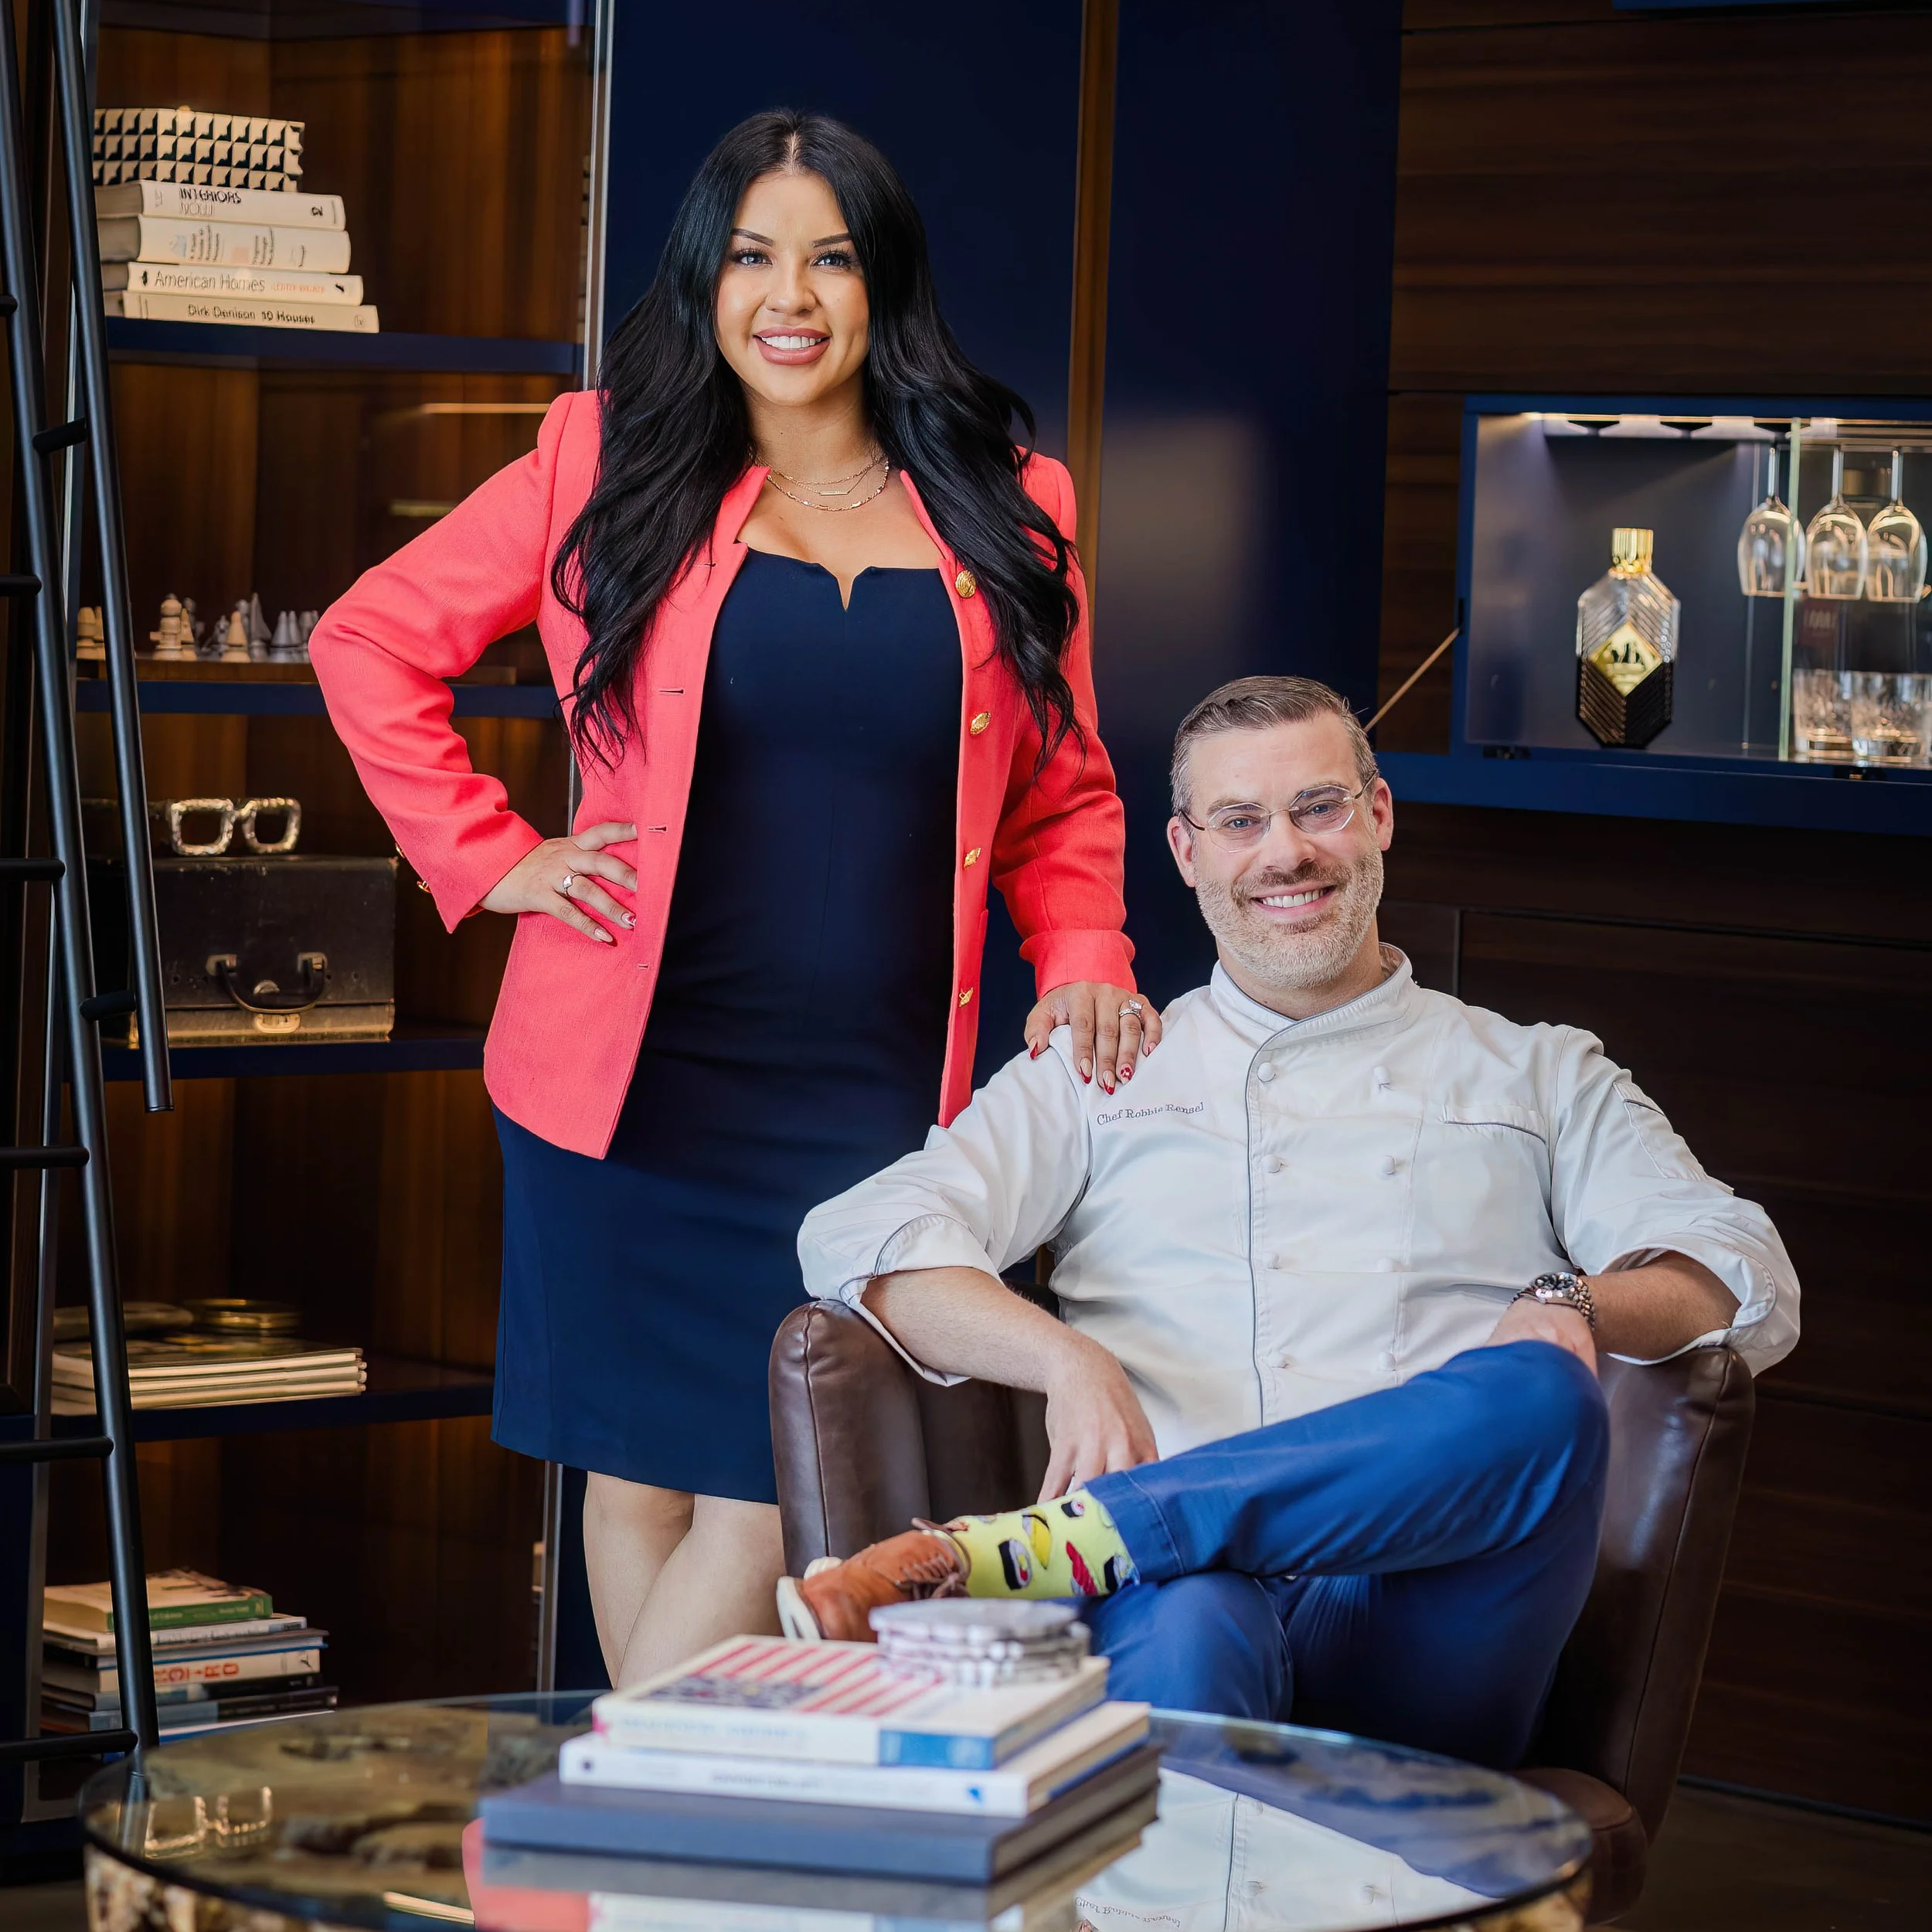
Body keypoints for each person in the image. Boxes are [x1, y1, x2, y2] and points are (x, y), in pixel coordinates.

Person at [308, 110, 1155, 1686]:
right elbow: (367, 641)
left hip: (880, 1091)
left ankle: (606, 1823)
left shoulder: (1007, 495)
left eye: (829, 257)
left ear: (879, 282)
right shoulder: (600, 458)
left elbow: (1066, 785)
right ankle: (651, 1873)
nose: (791, 294)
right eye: (753, 256)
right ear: (704, 281)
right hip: (628, 1089)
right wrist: (493, 858)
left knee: (776, 1504)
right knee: (634, 1481)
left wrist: (1084, 950)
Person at [784, 675, 1799, 1767]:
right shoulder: (1106, 1072)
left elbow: (1745, 1273)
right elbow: (859, 1233)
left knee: (1549, 1388)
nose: (1285, 854)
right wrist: (1065, 1358)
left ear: (1379, 817)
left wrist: (1571, 1304)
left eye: (1318, 807)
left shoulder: (1539, 1069)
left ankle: (1072, 1544)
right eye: (1239, 821)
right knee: (1196, 1618)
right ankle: (1119, 1558)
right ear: (1185, 852)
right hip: (1175, 1609)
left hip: (1428, 1625)